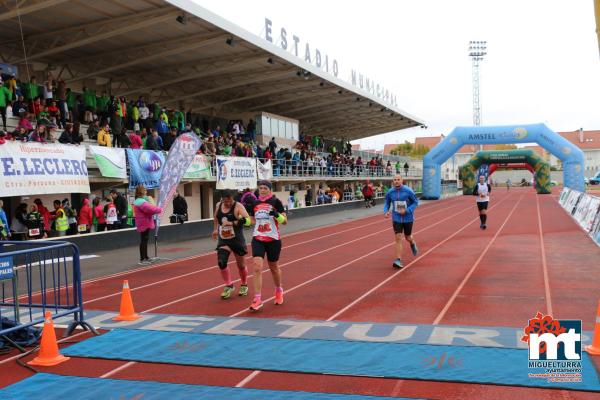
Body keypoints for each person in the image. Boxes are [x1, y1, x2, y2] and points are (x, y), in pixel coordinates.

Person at [248, 180, 287, 311]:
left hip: (273, 239)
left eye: (265, 188)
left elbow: (285, 221)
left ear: (270, 190)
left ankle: (278, 290)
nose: (262, 190)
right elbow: (252, 220)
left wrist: (276, 215)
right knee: (257, 267)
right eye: (260, 188)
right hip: (258, 238)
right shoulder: (255, 203)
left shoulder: (276, 202)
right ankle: (257, 298)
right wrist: (245, 221)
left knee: (273, 267)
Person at [212, 190, 251, 299]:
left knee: (241, 265)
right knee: (221, 261)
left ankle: (244, 284)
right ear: (222, 199)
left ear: (232, 198)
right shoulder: (218, 205)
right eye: (225, 201)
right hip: (224, 239)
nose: (228, 203)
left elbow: (249, 221)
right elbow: (215, 217)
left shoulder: (238, 206)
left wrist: (232, 223)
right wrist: (215, 229)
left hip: (237, 239)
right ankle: (229, 285)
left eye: (229, 201)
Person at [384, 174, 419, 269]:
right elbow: (387, 203)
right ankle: (398, 260)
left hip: (408, 218)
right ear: (393, 181)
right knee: (398, 237)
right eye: (394, 179)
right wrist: (386, 211)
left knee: (408, 237)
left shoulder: (408, 191)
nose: (396, 181)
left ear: (402, 180)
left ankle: (412, 243)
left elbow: (416, 202)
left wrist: (407, 211)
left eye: (398, 179)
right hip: (396, 218)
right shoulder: (390, 192)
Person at [134, 184, 162, 265]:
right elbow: (152, 209)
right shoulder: (141, 202)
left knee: (144, 240)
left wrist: (148, 199)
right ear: (142, 192)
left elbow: (147, 204)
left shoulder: (139, 200)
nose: (146, 192)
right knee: (144, 240)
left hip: (142, 222)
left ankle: (145, 257)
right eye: (145, 190)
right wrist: (159, 208)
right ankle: (143, 258)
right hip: (144, 223)